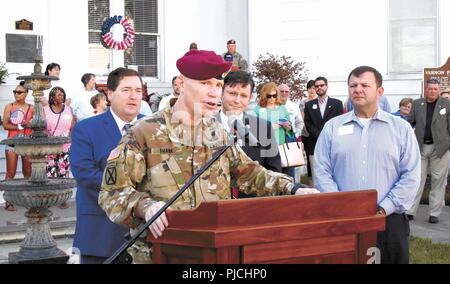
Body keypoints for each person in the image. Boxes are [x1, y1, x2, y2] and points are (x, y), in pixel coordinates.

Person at [99, 50, 318, 263]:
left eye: (218, 85)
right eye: (205, 84)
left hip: (214, 252)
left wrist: (293, 188)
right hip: (161, 253)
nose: (214, 92)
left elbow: (249, 174)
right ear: (182, 84)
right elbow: (112, 193)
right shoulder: (144, 132)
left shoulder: (218, 133)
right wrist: (145, 206)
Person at [314, 66, 421, 264]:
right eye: (353, 85)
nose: (358, 89)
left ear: (379, 91)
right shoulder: (332, 128)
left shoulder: (401, 128)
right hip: (344, 220)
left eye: (365, 85)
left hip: (389, 221)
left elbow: (411, 175)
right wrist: (342, 206)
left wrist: (383, 209)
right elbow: (322, 171)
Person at [70, 68, 145, 264]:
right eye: (126, 89)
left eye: (138, 90)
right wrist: (132, 197)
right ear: (110, 94)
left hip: (148, 234)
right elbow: (84, 174)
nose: (133, 96)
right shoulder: (86, 129)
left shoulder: (153, 128)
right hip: (101, 233)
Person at [218, 71, 281, 197]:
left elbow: (274, 171)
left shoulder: (263, 128)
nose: (237, 100)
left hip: (251, 206)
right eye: (232, 93)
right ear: (221, 92)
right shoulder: (203, 126)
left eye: (243, 95)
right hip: (213, 207)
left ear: (250, 98)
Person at [406, 79, 450, 224]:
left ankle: (434, 213)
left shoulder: (446, 103)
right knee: (417, 178)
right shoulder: (417, 104)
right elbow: (409, 123)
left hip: (440, 149)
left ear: (438, 90)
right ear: (426, 89)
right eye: (430, 89)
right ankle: (410, 211)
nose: (432, 91)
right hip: (420, 147)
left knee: (438, 181)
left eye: (435, 89)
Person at [303, 76, 344, 183]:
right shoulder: (309, 105)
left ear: (327, 86)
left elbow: (339, 123)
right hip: (314, 144)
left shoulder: (337, 104)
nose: (319, 88)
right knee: (316, 176)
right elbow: (308, 123)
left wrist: (327, 136)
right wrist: (319, 136)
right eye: (317, 86)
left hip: (333, 144)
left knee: (334, 175)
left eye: (322, 85)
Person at [2, 82, 34, 211]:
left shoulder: (31, 108)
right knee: (10, 172)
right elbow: (5, 125)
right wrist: (21, 126)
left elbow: (38, 123)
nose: (16, 94)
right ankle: (8, 201)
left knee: (28, 173)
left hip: (27, 142)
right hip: (12, 142)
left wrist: (29, 124)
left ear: (26, 94)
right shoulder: (9, 106)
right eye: (15, 92)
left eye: (19, 92)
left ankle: (28, 200)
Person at [43, 87, 75, 209]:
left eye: (62, 94)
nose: (60, 97)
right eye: (57, 95)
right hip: (49, 146)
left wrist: (69, 137)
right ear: (51, 97)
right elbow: (41, 126)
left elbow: (72, 125)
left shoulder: (68, 109)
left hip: (65, 146)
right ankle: (51, 197)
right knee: (50, 171)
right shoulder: (45, 109)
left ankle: (62, 198)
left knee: (63, 171)